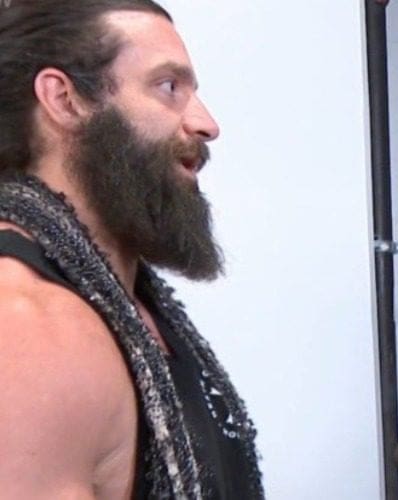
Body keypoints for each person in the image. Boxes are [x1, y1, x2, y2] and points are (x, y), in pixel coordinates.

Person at [0, 1, 263, 498]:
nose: (206, 123)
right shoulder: (30, 326)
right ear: (64, 99)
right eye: (169, 87)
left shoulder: (122, 301)